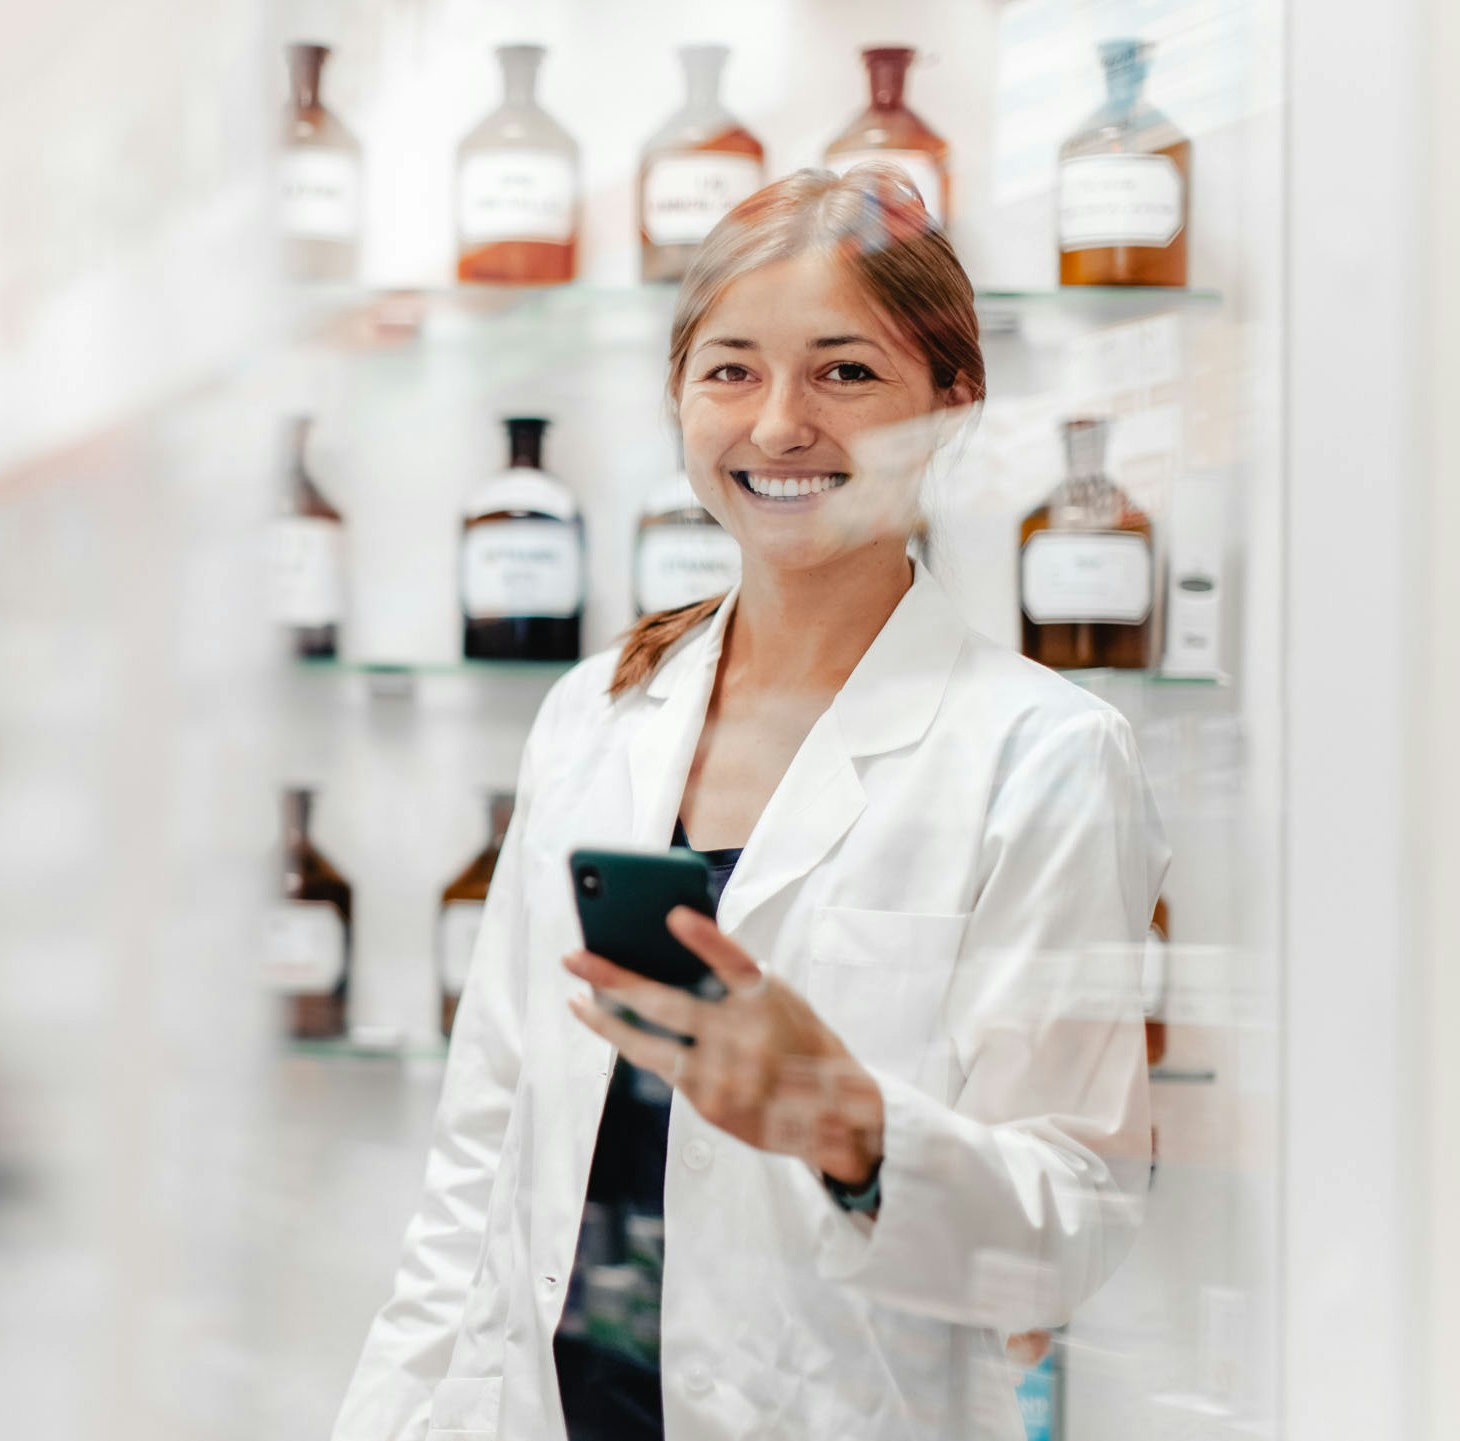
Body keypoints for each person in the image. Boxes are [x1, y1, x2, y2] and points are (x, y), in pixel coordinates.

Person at [330, 168, 1167, 1441]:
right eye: (729, 371)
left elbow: (1069, 1221)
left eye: (843, 373)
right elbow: (479, 1153)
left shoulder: (1041, 754)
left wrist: (854, 1123)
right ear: (677, 397)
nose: (777, 425)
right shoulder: (596, 717)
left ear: (951, 406)